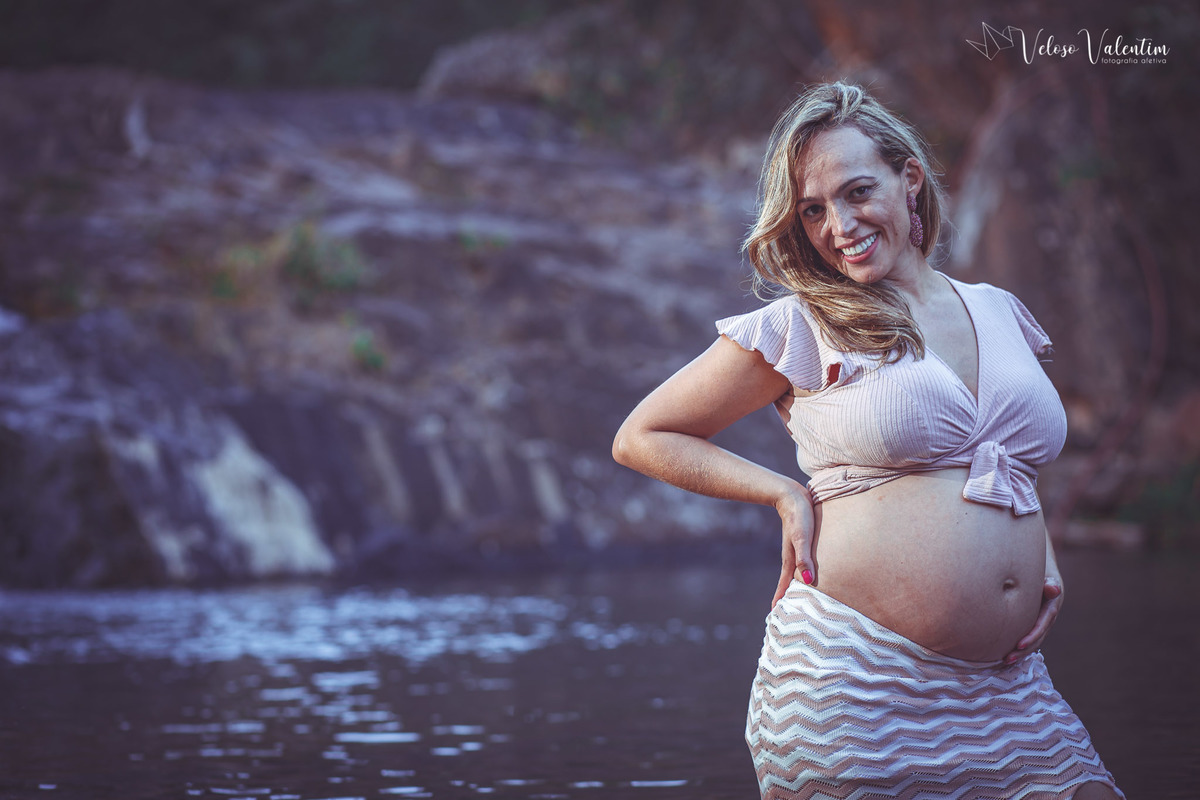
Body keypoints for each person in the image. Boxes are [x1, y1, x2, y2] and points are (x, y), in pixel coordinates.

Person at [611, 82, 1123, 799]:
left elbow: (1005, 460)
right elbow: (642, 435)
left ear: (908, 177)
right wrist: (782, 492)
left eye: (857, 193)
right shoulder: (803, 322)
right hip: (852, 682)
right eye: (813, 210)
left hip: (1007, 686)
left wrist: (1038, 550)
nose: (838, 225)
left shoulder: (998, 310)